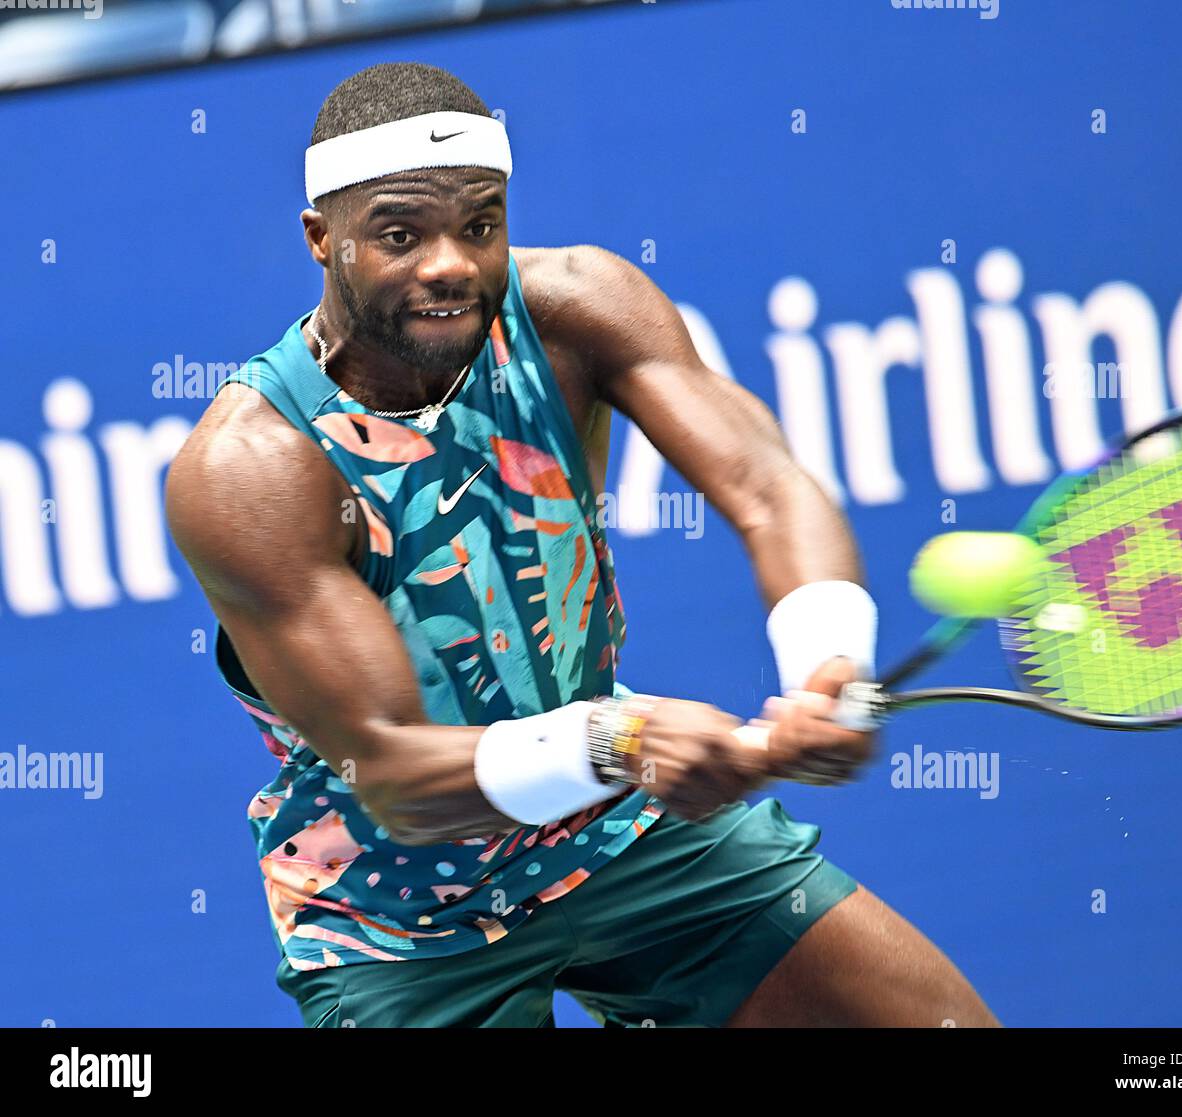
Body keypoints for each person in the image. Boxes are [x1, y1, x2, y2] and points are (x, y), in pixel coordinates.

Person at [165, 61, 998, 1028]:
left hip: (624, 831)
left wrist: (824, 661)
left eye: (480, 224)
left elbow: (766, 486)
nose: (450, 263)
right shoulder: (249, 470)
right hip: (398, 922)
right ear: (322, 239)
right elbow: (392, 773)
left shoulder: (576, 309)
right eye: (400, 234)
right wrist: (620, 740)